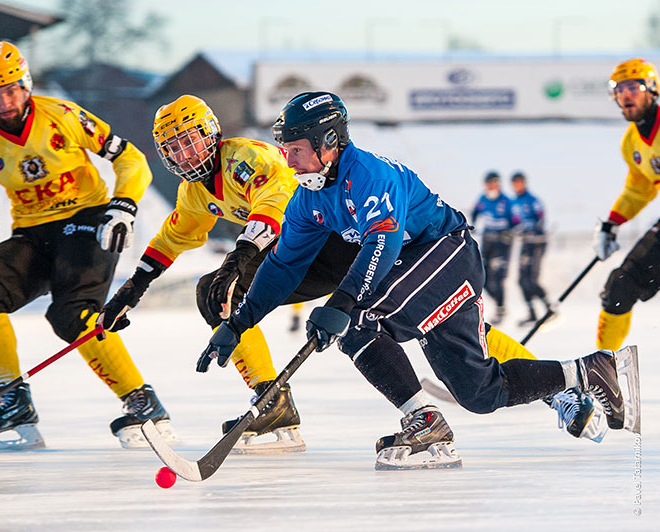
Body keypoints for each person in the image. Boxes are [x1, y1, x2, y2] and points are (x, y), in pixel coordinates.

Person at [196, 91, 638, 470]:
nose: (288, 160)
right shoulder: (307, 198)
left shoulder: (369, 176)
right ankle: (588, 371)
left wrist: (343, 302)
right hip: (418, 268)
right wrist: (238, 323)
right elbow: (283, 267)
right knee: (481, 393)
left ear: (328, 142)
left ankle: (424, 422)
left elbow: (381, 248)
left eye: (295, 149)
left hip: (448, 253)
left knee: (360, 320)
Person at [97, 95, 359, 453]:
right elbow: (173, 236)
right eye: (174, 148)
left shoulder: (243, 159)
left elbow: (278, 200)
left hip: (338, 244)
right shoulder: (193, 192)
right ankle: (272, 400)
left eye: (191, 140)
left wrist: (237, 260)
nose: (186, 154)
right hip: (300, 258)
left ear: (212, 134)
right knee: (215, 293)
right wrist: (133, 288)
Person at [0, 41, 177, 451]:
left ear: (25, 85)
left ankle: (144, 404)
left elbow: (132, 159)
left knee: (72, 314)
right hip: (33, 233)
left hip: (88, 220)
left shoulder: (63, 116)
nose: (3, 102)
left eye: (9, 90)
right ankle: (12, 400)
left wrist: (124, 205)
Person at [595, 58, 660, 353]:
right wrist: (611, 223)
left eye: (634, 86)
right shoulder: (632, 143)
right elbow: (639, 189)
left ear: (652, 89)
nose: (626, 94)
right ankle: (602, 372)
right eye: (619, 89)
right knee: (619, 286)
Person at [470, 171, 517, 325]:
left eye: (494, 183)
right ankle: (499, 305)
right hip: (488, 241)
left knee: (498, 277)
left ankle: (501, 309)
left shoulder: (506, 201)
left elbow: (516, 221)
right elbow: (475, 212)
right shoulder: (483, 198)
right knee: (483, 277)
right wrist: (472, 226)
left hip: (502, 244)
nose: (491, 186)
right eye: (489, 183)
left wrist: (510, 232)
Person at [510, 171, 551, 325]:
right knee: (521, 280)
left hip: (537, 243)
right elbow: (514, 223)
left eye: (519, 182)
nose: (517, 186)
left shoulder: (532, 200)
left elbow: (540, 218)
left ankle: (549, 309)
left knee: (532, 279)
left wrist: (534, 230)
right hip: (526, 243)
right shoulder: (514, 202)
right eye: (514, 183)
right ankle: (532, 312)